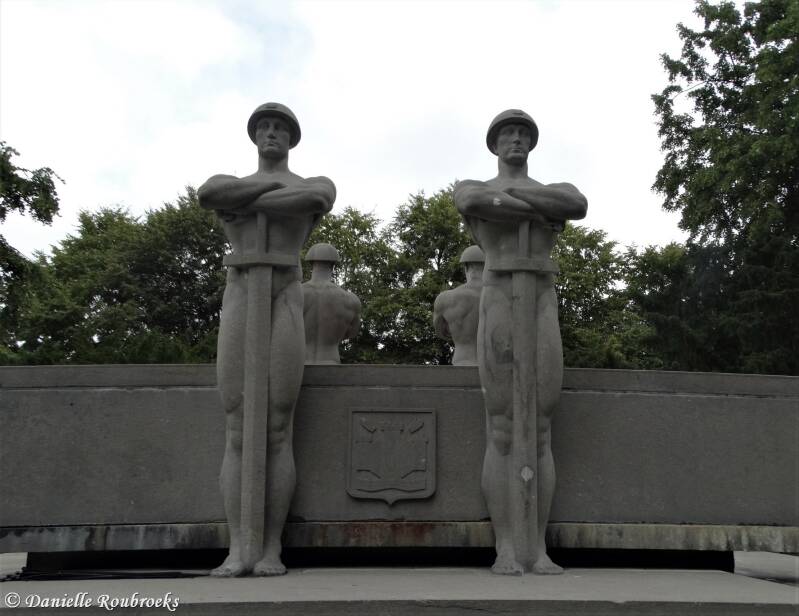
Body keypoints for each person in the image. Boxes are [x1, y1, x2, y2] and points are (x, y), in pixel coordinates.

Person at [198, 102, 335, 576]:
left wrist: (247, 201)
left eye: (280, 128)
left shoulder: (312, 183)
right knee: (238, 425)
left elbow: (317, 197)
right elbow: (210, 193)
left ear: (291, 138)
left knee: (278, 424)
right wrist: (272, 193)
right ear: (254, 136)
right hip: (240, 291)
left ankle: (270, 546)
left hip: (285, 292)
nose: (272, 133)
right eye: (264, 127)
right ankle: (239, 547)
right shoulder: (228, 182)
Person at [454, 109, 587, 575]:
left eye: (523, 134)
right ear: (494, 144)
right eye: (507, 133)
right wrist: (539, 210)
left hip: (542, 297)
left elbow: (575, 203)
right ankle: (507, 545)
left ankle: (538, 546)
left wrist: (515, 202)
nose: (515, 139)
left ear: (531, 144)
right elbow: (472, 199)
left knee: (541, 426)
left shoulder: (554, 188)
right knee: (503, 427)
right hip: (498, 295)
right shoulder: (474, 186)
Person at [301, 242, 361, 364]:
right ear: (333, 265)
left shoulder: (296, 294)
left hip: (299, 365)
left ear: (311, 263)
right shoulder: (350, 300)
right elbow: (352, 333)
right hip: (331, 363)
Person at [433, 245, 485, 366]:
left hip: (462, 361)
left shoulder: (445, 299)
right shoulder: (501, 297)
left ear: (466, 267)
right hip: (492, 366)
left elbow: (441, 332)